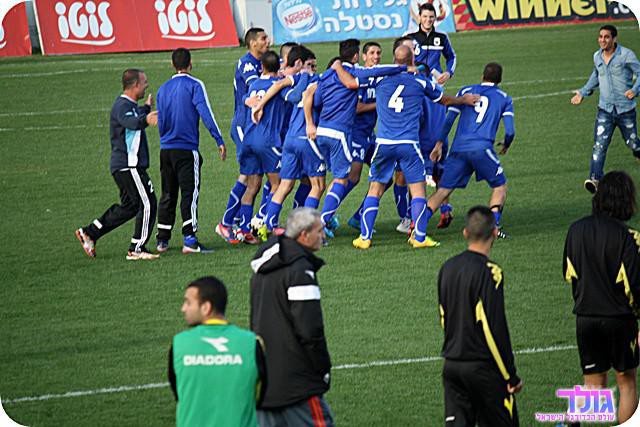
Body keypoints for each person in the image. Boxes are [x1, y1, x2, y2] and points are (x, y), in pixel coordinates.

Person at [352, 45, 477, 250]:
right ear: (412, 61)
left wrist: (396, 68)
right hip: (409, 144)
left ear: (394, 60)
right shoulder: (420, 81)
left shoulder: (379, 79)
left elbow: (361, 73)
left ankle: (365, 238)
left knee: (375, 189)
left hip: (384, 143)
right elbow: (444, 100)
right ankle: (419, 237)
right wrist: (463, 99)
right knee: (418, 190)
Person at [306, 38, 408, 240]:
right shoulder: (356, 74)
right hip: (353, 135)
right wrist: (381, 104)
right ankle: (325, 219)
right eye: (372, 53)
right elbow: (356, 106)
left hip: (370, 136)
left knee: (385, 175)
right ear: (361, 56)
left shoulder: (376, 77)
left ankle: (358, 216)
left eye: (379, 53)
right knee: (349, 178)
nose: (376, 56)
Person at [563, 171, 640, 423]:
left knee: (593, 382)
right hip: (620, 319)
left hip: (585, 317)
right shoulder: (629, 237)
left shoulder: (575, 230)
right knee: (626, 381)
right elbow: (634, 286)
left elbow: (569, 273)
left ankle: (570, 423)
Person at [439, 206, 522, 426]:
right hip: (482, 368)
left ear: (465, 233)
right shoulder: (491, 272)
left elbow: (444, 317)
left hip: (452, 366)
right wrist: (510, 375)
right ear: (494, 232)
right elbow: (493, 326)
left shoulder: (447, 268)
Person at [250, 208, 333, 426]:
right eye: (319, 231)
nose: (323, 236)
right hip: (298, 382)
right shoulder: (300, 270)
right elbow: (309, 329)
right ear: (304, 235)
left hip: (266, 381)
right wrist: (323, 367)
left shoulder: (262, 270)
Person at [75, 69, 159, 261]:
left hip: (123, 166)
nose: (147, 85)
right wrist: (146, 119)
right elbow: (131, 121)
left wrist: (146, 109)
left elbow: (134, 116)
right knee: (148, 203)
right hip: (129, 166)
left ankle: (90, 232)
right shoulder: (122, 106)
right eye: (144, 82)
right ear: (135, 85)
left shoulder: (129, 105)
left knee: (130, 206)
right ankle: (136, 248)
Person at [426, 62, 515, 241]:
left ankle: (417, 226)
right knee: (500, 186)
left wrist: (439, 144)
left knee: (443, 190)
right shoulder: (505, 98)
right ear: (500, 79)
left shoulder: (465, 91)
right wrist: (506, 143)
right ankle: (493, 227)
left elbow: (449, 120)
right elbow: (510, 131)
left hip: (458, 148)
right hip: (482, 148)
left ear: (482, 76)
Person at [168, 276, 267, 427]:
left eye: (188, 302)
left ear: (206, 307)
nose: (183, 308)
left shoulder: (179, 343)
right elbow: (259, 395)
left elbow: (179, 392)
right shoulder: (251, 342)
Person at [155, 48, 226, 254]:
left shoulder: (162, 89)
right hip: (187, 149)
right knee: (190, 193)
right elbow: (205, 113)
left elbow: (160, 120)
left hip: (166, 149)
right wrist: (218, 139)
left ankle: (162, 240)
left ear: (172, 64)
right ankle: (189, 239)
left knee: (168, 193)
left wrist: (165, 139)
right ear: (190, 63)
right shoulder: (195, 85)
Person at [570, 25, 640, 194]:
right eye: (600, 37)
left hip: (625, 110)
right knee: (599, 146)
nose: (602, 40)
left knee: (632, 143)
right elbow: (596, 75)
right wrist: (583, 92)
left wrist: (635, 89)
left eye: (606, 37)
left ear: (614, 39)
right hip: (605, 111)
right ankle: (595, 179)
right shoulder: (597, 56)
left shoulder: (626, 55)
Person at [216, 28, 270, 244]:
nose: (267, 41)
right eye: (263, 38)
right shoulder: (247, 64)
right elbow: (256, 86)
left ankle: (242, 225)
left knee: (255, 180)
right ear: (253, 43)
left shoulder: (264, 62)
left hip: (255, 127)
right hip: (243, 125)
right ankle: (226, 222)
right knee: (248, 176)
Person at [407, 3, 456, 86]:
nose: (428, 20)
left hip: (435, 82)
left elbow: (451, 56)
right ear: (419, 17)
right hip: (414, 81)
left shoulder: (442, 36)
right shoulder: (409, 36)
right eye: (425, 16)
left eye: (431, 17)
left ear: (435, 18)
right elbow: (400, 59)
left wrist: (449, 72)